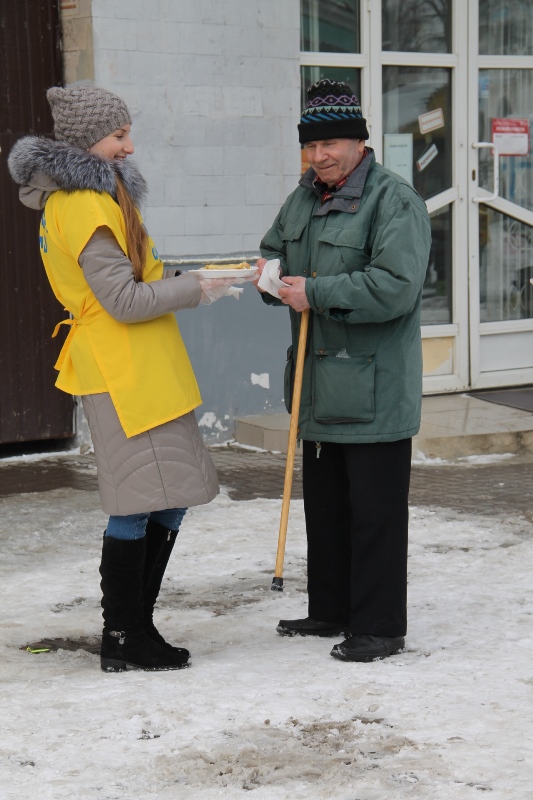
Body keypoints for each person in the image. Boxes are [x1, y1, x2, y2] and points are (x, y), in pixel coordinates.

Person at [8, 86, 231, 673]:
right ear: (88, 142)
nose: (129, 147)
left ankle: (136, 626)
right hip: (122, 370)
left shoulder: (97, 196)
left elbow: (135, 282)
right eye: (118, 136)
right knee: (137, 504)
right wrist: (195, 288)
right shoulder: (84, 204)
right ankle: (125, 634)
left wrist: (190, 281)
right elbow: (124, 301)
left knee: (171, 498)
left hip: (145, 367)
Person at [255, 79, 431, 662]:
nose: (319, 156)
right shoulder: (302, 198)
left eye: (330, 143)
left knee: (375, 516)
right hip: (317, 385)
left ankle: (379, 625)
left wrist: (316, 291)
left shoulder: (393, 200)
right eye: (310, 145)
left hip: (374, 389)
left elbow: (395, 288)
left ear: (359, 142)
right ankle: (330, 609)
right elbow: (275, 249)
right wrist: (268, 278)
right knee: (327, 510)